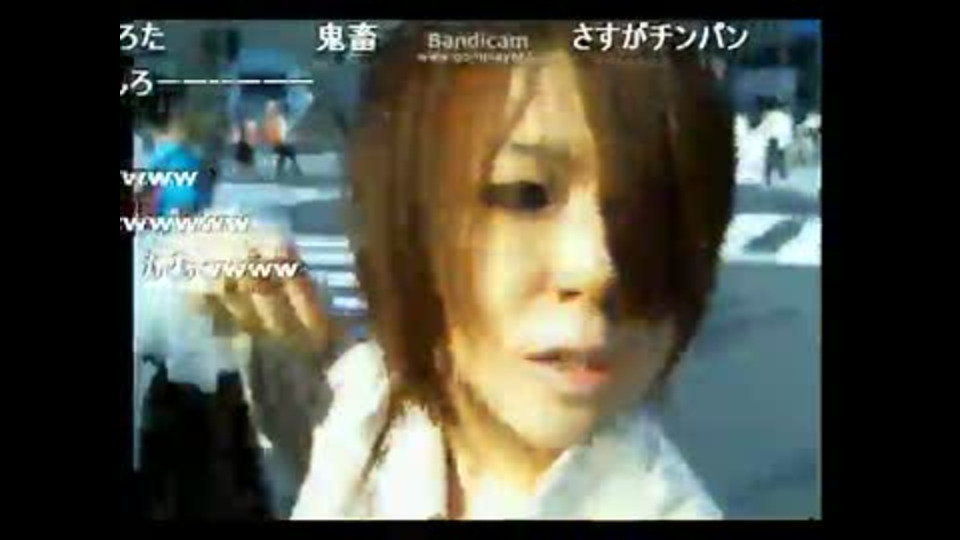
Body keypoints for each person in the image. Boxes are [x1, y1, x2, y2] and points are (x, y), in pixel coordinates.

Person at [187, 21, 734, 520]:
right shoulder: (377, 401)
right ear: (404, 213)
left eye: (654, 213)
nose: (599, 266)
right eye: (524, 194)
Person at [264, 100, 303, 179]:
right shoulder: (272, 120)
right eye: (268, 108)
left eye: (271, 108)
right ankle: (292, 169)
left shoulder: (279, 119)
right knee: (286, 152)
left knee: (286, 152)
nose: (268, 110)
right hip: (277, 143)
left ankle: (287, 170)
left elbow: (282, 133)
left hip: (279, 143)